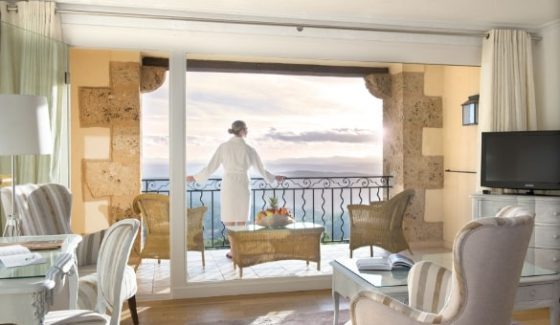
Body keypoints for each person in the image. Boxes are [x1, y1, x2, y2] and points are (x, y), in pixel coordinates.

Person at [187, 120, 285, 258]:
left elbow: (210, 167)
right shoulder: (249, 150)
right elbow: (261, 170)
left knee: (230, 219)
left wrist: (195, 178)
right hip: (243, 185)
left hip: (229, 185)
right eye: (246, 129)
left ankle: (234, 251)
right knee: (241, 219)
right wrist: (274, 177)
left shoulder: (224, 147)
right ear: (243, 131)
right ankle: (240, 250)